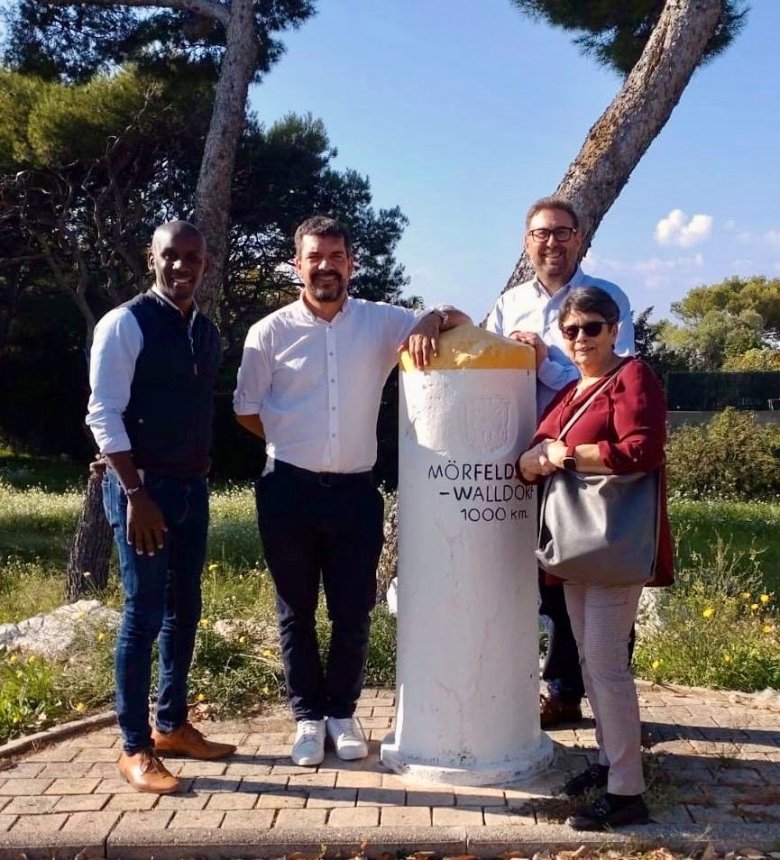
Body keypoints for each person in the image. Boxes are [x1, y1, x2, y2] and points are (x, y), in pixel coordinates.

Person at [234, 215, 471, 767]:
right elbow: (246, 410)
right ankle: (306, 719)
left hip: (355, 494)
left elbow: (462, 319)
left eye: (336, 257)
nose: (326, 267)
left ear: (351, 264)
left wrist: (430, 318)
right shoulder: (268, 332)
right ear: (297, 264)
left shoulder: (382, 321)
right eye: (315, 257)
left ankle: (342, 714)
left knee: (353, 610)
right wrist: (294, 439)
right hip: (287, 490)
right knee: (295, 610)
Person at [86, 220, 235, 794]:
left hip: (190, 489)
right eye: (170, 255)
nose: (181, 266)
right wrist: (134, 494)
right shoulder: (125, 323)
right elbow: (103, 413)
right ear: (152, 258)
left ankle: (171, 726)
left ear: (206, 264)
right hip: (142, 493)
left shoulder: (206, 331)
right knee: (143, 615)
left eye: (192, 257)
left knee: (184, 609)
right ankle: (134, 747)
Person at [517, 286, 673, 831]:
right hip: (577, 545)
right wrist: (539, 457)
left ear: (613, 329)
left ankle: (627, 792)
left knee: (606, 665)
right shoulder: (570, 392)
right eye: (571, 330)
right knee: (589, 661)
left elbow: (643, 449)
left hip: (614, 542)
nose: (581, 338)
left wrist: (567, 456)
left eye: (592, 328)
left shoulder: (632, 377)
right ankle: (608, 761)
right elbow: (530, 457)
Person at [486, 196, 635, 730]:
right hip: (527, 460)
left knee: (595, 573)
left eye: (562, 232)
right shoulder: (507, 305)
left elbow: (614, 380)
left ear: (579, 238)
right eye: (541, 233)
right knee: (547, 583)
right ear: (526, 243)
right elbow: (492, 377)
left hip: (587, 466)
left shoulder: (606, 299)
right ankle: (562, 691)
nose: (551, 242)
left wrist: (544, 360)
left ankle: (597, 697)